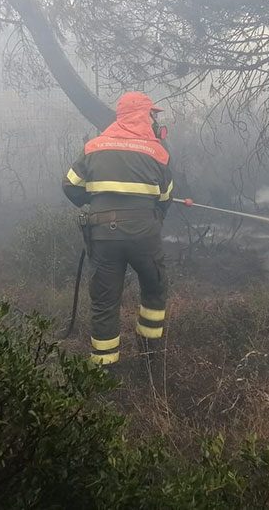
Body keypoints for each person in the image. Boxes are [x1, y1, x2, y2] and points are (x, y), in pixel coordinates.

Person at [62, 92, 173, 367]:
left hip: (103, 237)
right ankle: (150, 355)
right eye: (152, 114)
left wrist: (98, 198)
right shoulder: (158, 151)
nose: (155, 120)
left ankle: (103, 371)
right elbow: (165, 197)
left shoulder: (94, 147)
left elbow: (70, 185)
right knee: (154, 288)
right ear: (141, 115)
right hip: (145, 237)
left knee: (104, 301)